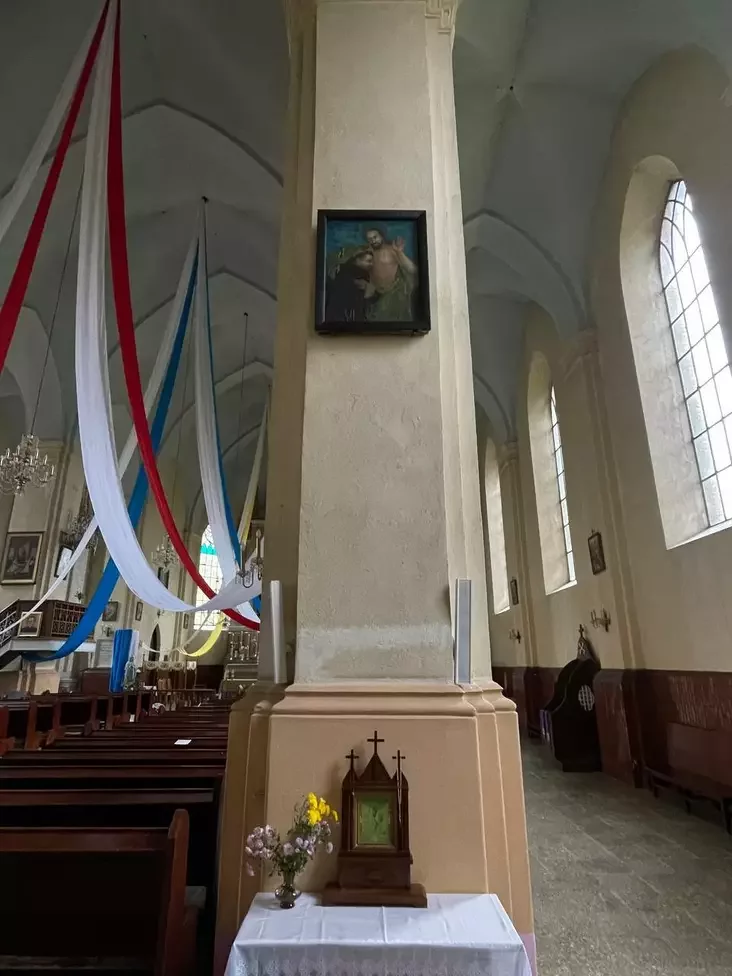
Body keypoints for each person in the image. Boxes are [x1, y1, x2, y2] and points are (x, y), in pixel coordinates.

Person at [364, 226, 417, 322]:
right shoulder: (367, 253)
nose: (373, 241)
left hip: (392, 294)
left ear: (381, 236)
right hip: (374, 294)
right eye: (370, 239)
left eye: (375, 237)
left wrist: (399, 253)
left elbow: (411, 269)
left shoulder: (392, 250)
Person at [325, 249, 377, 322]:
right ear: (357, 260)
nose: (371, 264)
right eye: (368, 261)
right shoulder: (350, 277)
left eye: (372, 262)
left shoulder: (342, 272)